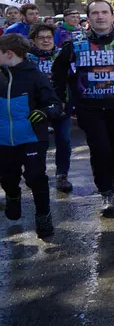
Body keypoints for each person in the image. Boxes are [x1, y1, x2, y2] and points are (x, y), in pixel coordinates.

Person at [52, 0, 114, 216]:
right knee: (100, 149)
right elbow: (58, 72)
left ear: (113, 16)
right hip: (88, 107)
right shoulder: (75, 43)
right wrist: (62, 97)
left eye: (104, 12)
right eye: (95, 13)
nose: (100, 17)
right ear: (88, 18)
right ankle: (106, 192)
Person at [0, 33, 62, 237]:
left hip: (32, 137)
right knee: (7, 177)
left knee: (36, 176)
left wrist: (45, 112)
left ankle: (43, 216)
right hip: (3, 140)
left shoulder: (34, 74)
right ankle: (13, 195)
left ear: (8, 54)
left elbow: (54, 104)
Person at [28, 23, 73, 192]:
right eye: (41, 38)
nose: (46, 41)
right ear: (33, 40)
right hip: (37, 108)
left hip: (61, 105)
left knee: (63, 140)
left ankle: (62, 176)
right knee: (39, 144)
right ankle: (38, 175)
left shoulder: (63, 55)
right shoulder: (27, 58)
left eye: (49, 37)